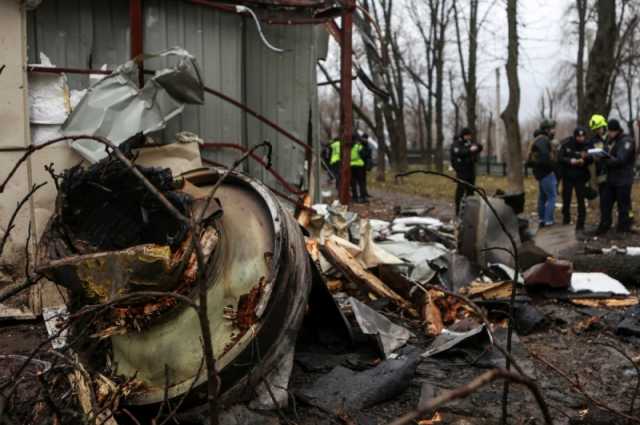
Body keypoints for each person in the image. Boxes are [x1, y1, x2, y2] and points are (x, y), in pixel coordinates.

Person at [595, 119, 636, 235]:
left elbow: (621, 159)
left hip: (623, 179)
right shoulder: (610, 140)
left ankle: (623, 228)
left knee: (623, 206)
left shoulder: (626, 141)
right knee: (605, 203)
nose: (609, 134)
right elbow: (607, 152)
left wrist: (605, 159)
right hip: (611, 179)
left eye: (611, 131)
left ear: (616, 130)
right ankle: (604, 226)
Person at [557, 127, 592, 231]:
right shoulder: (566, 143)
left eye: (582, 136)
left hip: (581, 177)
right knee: (566, 199)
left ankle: (581, 224)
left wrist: (585, 159)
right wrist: (570, 161)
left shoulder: (587, 145)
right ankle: (566, 219)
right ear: (575, 136)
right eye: (578, 136)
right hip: (568, 176)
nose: (581, 138)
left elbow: (592, 159)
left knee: (581, 200)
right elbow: (560, 157)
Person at [528, 120, 558, 228]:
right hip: (546, 173)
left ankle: (541, 219)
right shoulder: (544, 141)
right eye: (552, 128)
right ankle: (548, 220)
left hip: (540, 173)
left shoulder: (537, 140)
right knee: (552, 197)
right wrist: (553, 167)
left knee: (542, 197)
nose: (554, 131)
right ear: (547, 129)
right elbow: (546, 158)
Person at [450, 127, 483, 215]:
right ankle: (458, 210)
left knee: (471, 191)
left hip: (470, 170)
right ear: (463, 135)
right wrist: (470, 150)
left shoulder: (469, 142)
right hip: (461, 171)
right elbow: (459, 152)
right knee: (460, 191)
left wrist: (477, 147)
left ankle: (470, 211)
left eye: (470, 135)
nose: (469, 137)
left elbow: (479, 147)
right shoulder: (457, 143)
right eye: (467, 135)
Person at [350, 135, 367, 203]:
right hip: (359, 166)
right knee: (361, 182)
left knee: (353, 183)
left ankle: (355, 198)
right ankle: (363, 197)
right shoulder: (358, 146)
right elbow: (364, 155)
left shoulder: (348, 148)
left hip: (351, 166)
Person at [360, 133, 373, 202]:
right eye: (364, 138)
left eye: (366, 138)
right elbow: (364, 154)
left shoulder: (366, 144)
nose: (365, 139)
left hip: (364, 164)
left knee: (363, 180)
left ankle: (364, 193)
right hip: (360, 164)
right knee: (361, 181)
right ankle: (363, 194)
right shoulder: (361, 144)